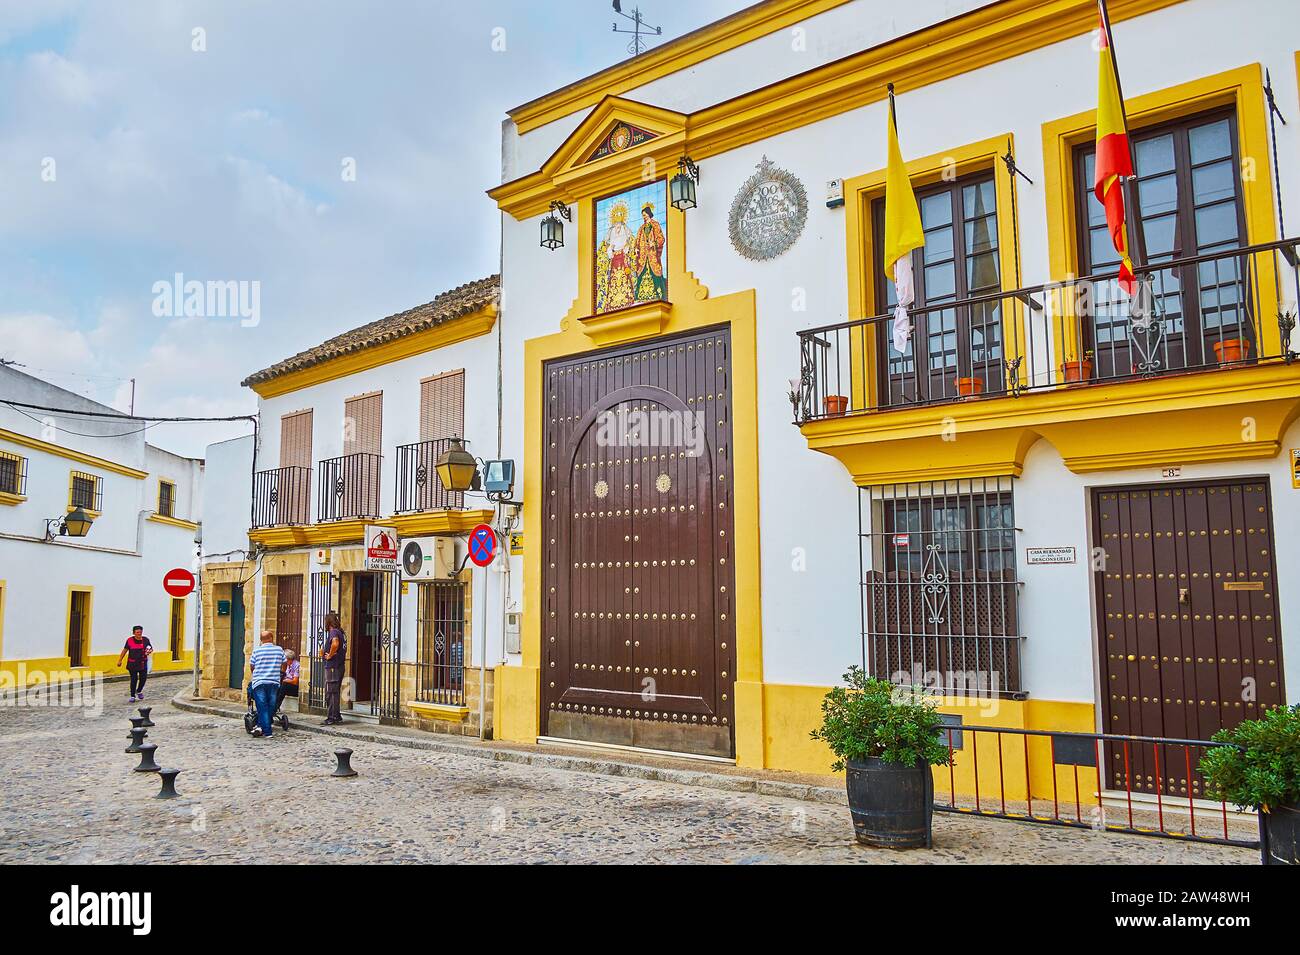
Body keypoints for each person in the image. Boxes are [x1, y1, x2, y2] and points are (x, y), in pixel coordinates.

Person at [247, 630, 285, 738]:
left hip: (259, 681)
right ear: (272, 638)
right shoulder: (279, 650)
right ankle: (264, 728)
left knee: (262, 706)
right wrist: (281, 673)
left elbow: (252, 666)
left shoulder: (257, 651)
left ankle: (263, 729)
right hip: (273, 681)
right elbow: (284, 663)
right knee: (271, 705)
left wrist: (257, 674)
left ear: (261, 640)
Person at [321, 612, 347, 725]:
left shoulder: (334, 632)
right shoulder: (341, 632)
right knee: (334, 692)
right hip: (339, 666)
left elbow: (335, 644)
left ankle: (332, 717)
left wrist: (330, 655)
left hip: (333, 666)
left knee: (331, 692)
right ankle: (336, 715)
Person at [116, 626, 153, 702]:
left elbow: (150, 648)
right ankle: (132, 695)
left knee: (143, 678)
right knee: (134, 679)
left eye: (140, 632)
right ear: (134, 633)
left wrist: (149, 651)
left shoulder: (146, 640)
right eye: (137, 632)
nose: (139, 634)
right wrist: (120, 660)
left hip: (143, 663)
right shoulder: (129, 640)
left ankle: (139, 690)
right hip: (132, 663)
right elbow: (125, 650)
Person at [276, 649, 300, 715]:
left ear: (287, 659)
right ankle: (273, 705)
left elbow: (295, 681)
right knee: (277, 685)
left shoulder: (297, 665)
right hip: (285, 687)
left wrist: (285, 680)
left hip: (295, 688)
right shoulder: (286, 665)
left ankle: (276, 707)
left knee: (284, 684)